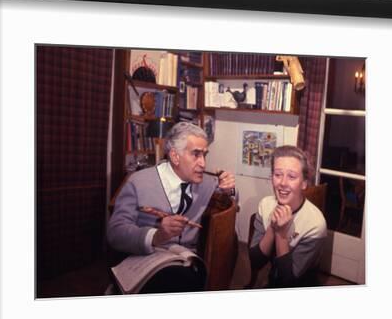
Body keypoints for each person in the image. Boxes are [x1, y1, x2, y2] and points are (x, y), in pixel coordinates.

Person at [107, 122, 235, 293]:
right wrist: (157, 236)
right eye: (196, 155)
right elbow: (115, 232)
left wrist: (229, 189)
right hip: (145, 256)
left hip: (184, 257)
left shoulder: (205, 182)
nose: (203, 163)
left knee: (192, 276)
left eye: (204, 155)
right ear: (175, 156)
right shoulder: (138, 182)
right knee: (181, 280)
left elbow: (231, 199)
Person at [248, 145, 327, 288]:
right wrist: (273, 227)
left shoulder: (315, 224)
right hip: (273, 279)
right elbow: (255, 262)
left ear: (303, 183)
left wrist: (281, 234)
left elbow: (288, 282)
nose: (283, 183)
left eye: (291, 176)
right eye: (278, 175)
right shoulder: (265, 205)